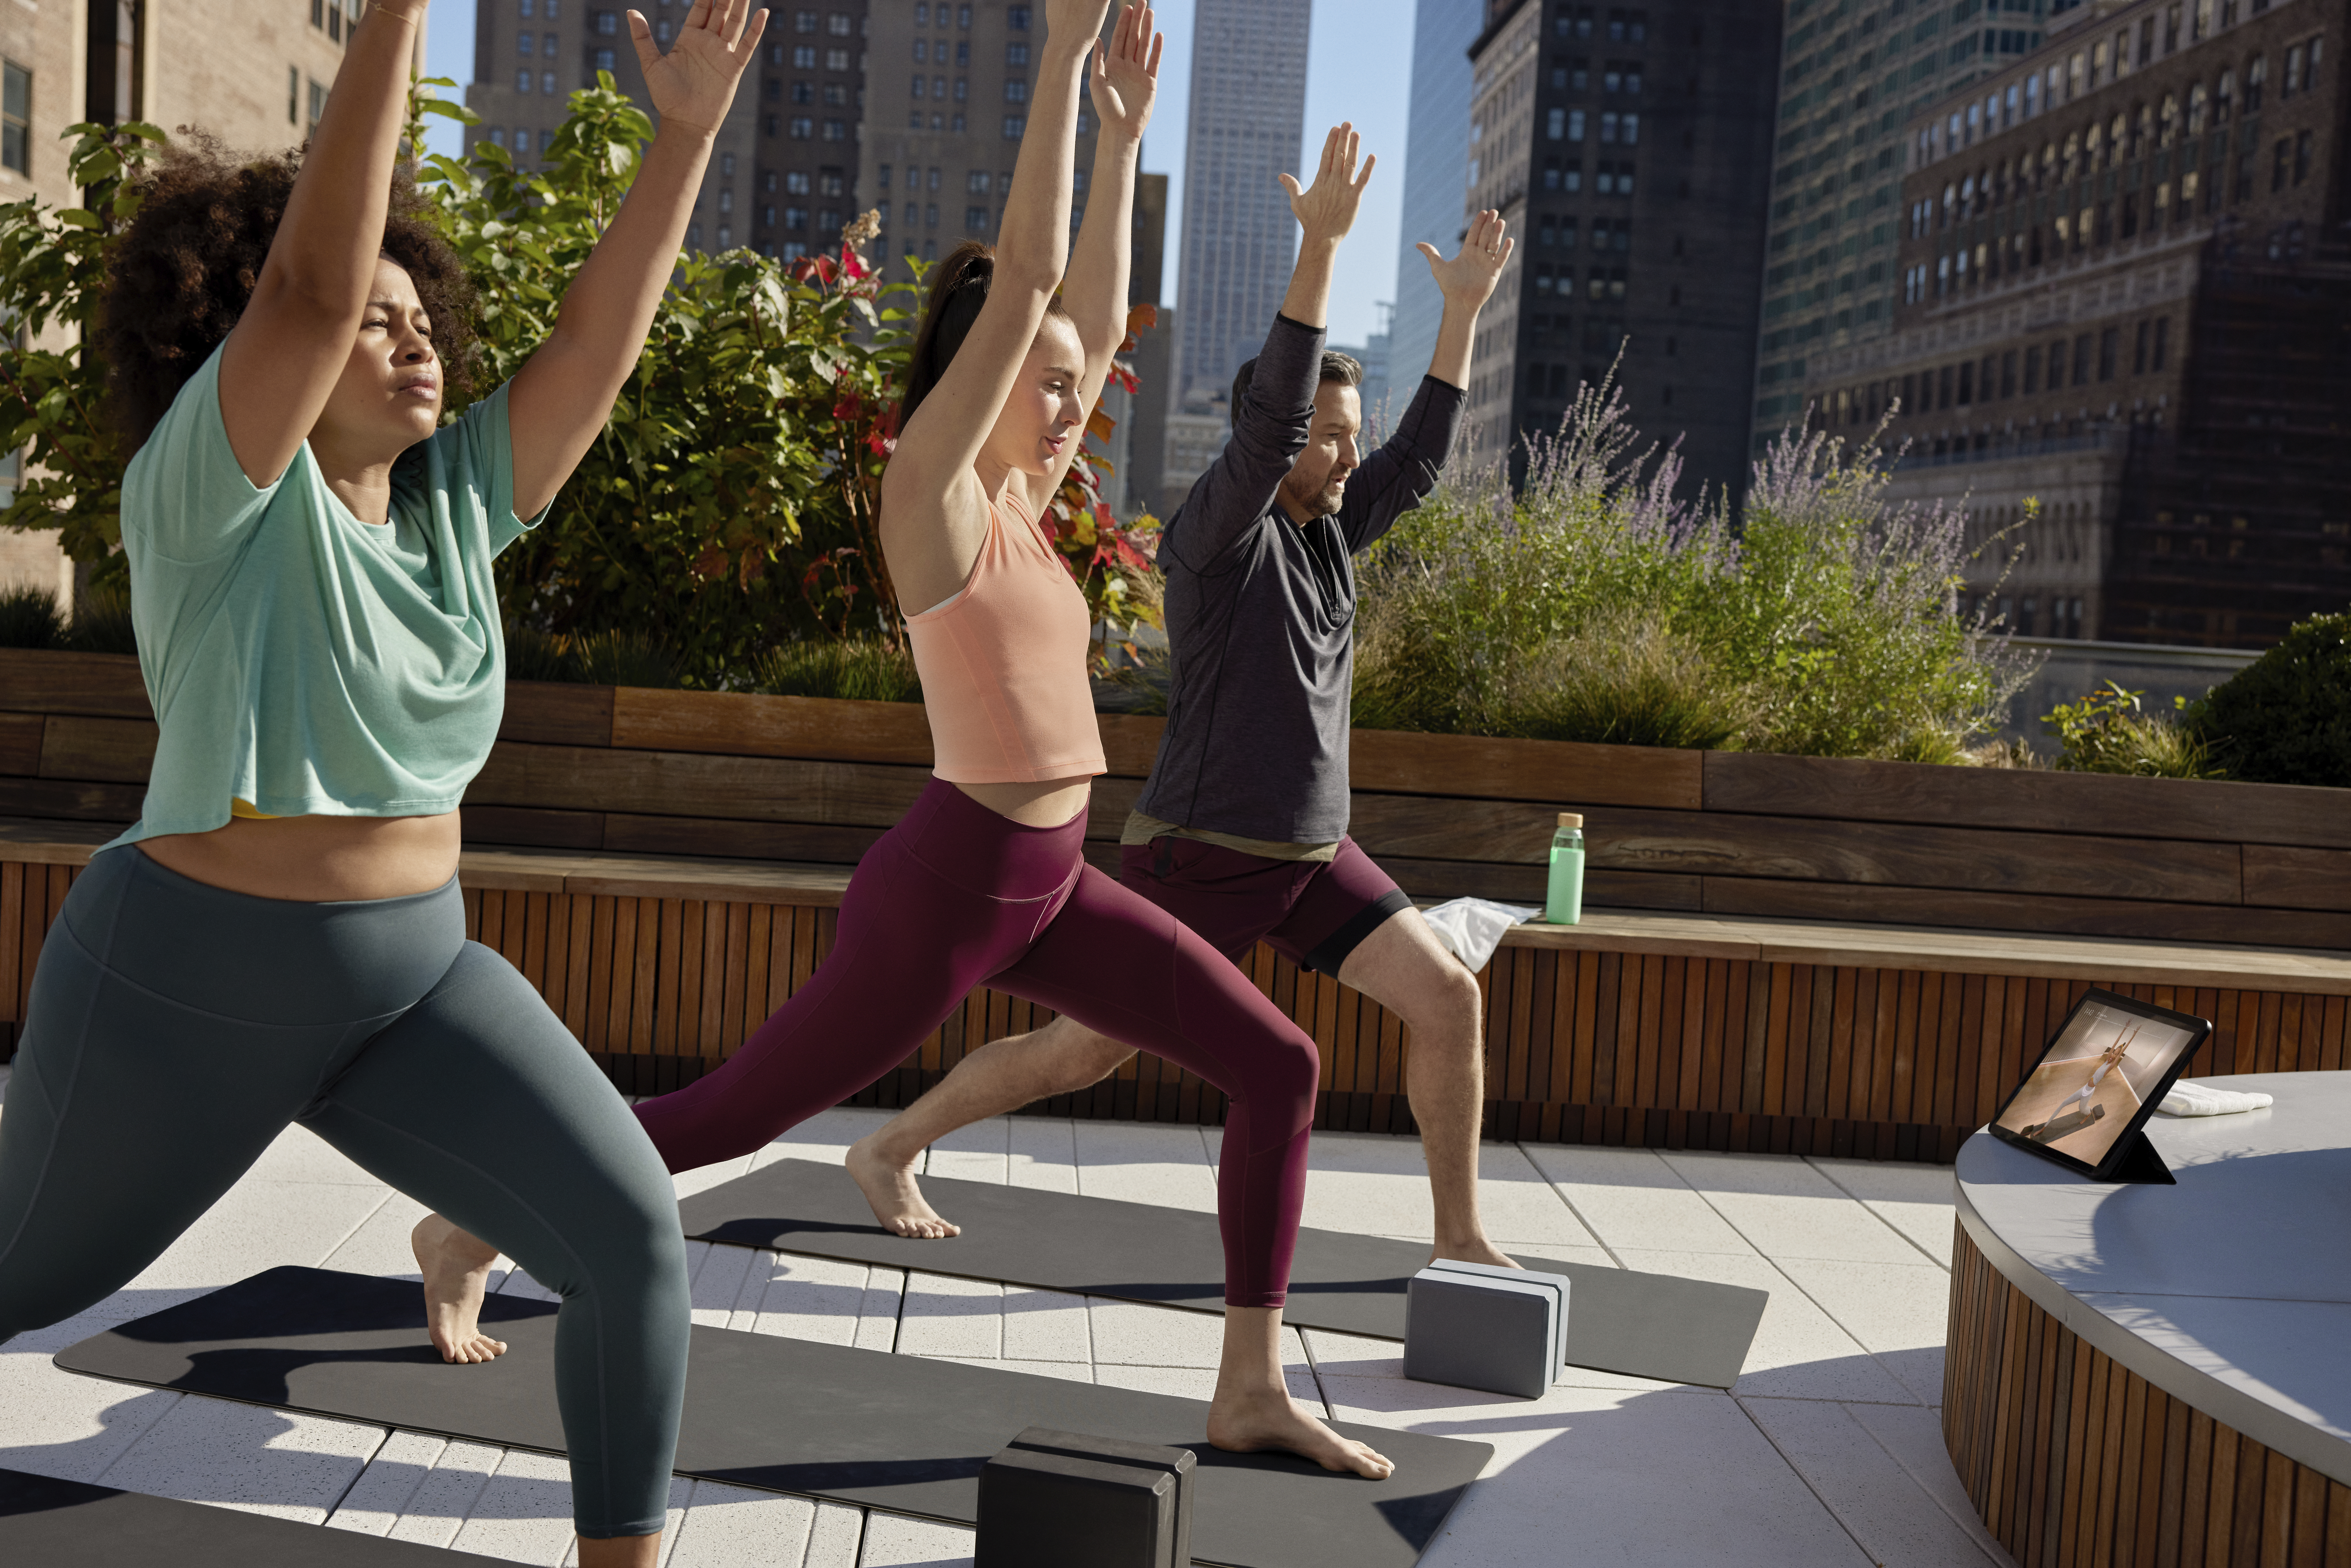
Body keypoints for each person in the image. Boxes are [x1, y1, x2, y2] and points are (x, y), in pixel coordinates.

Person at [422, 1, 1393, 1480]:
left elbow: (1094, 318)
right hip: (945, 894)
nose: (1071, 400)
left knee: (1279, 1066)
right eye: (1042, 379)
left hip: (1052, 886)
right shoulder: (931, 495)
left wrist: (1125, 142)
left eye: (1070, 386)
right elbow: (1038, 288)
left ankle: (1248, 1388)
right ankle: (471, 1217)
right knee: (720, 1119)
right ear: (979, 374)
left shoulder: (1021, 496)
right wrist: (1059, 63)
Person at [0, 2, 763, 1561]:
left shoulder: (454, 507)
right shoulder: (215, 493)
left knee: (629, 1238)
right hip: (185, 988)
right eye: (377, 319)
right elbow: (304, 285)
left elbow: (590, 349)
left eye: (425, 321)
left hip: (414, 978)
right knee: (22, 1281)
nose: (413, 340)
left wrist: (684, 138)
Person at [844, 160, 1516, 1270]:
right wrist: (1319, 251)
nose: (1348, 455)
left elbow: (1418, 464)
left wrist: (1462, 315)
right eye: (1327, 435)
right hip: (1200, 856)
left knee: (1448, 998)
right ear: (1276, 438)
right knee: (1080, 1055)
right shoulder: (1218, 537)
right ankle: (891, 1145)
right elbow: (1270, 429)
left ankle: (1460, 1239)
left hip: (1312, 854)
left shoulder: (1330, 533)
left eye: (1351, 435)